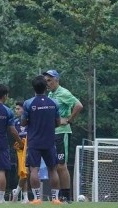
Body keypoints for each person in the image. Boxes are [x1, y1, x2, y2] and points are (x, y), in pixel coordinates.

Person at [21, 75, 62, 205]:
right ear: (46, 87)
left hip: (34, 141)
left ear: (33, 88)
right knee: (53, 169)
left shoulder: (28, 103)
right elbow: (58, 122)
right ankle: (55, 198)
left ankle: (37, 198)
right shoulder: (54, 103)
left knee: (34, 169)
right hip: (50, 140)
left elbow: (23, 123)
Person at [44, 70, 83, 203]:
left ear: (57, 80)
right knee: (54, 165)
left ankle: (66, 196)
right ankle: (58, 195)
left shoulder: (64, 93)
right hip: (51, 133)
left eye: (49, 80)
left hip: (62, 132)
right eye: (46, 81)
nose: (47, 83)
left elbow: (78, 105)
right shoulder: (50, 94)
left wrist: (69, 120)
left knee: (62, 165)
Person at [11, 100, 29, 203]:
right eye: (15, 109)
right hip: (20, 151)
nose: (16, 110)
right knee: (23, 174)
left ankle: (17, 193)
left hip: (30, 149)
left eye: (18, 109)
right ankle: (25, 198)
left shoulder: (30, 120)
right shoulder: (15, 122)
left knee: (27, 173)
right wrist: (17, 144)